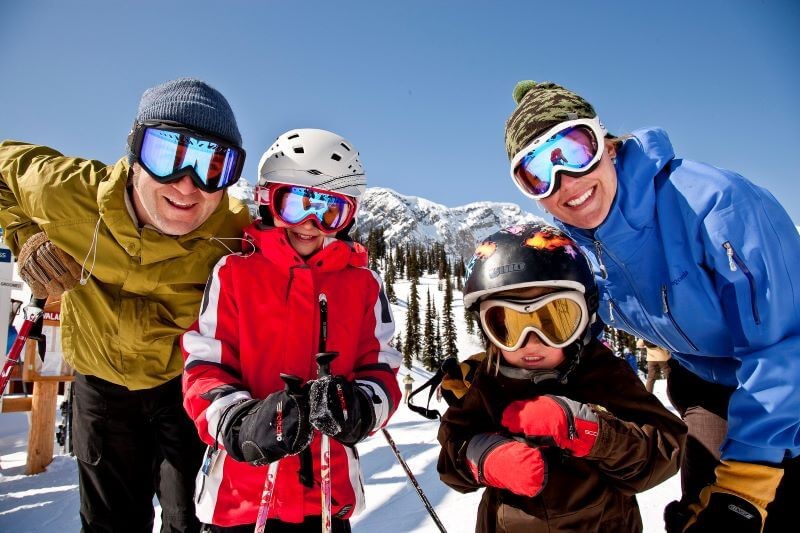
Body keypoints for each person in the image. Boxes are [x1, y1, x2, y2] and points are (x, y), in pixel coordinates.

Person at [503, 80, 800, 532]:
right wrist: (490, 376)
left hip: (784, 381)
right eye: (537, 173)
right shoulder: (581, 251)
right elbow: (566, 330)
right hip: (707, 386)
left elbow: (784, 344)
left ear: (607, 144)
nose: (565, 182)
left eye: (573, 151)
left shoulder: (715, 206)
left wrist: (745, 486)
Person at [0, 77, 251, 532]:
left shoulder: (236, 233)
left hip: (182, 391)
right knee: (111, 522)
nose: (188, 184)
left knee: (190, 518)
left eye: (213, 165)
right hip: (102, 388)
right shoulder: (68, 192)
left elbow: (301, 250)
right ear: (135, 151)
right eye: (167, 153)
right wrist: (26, 236)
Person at [182, 128, 402, 531]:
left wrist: (362, 407)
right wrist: (238, 421)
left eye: (331, 211)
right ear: (268, 201)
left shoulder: (361, 284)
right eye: (296, 203)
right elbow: (204, 367)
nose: (311, 223)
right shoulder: (235, 275)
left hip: (326, 497)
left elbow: (382, 368)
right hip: (239, 498)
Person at [437, 223, 686, 532]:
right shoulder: (490, 382)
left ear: (584, 321)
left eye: (555, 320)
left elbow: (665, 451)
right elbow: (452, 457)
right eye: (508, 326)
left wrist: (594, 432)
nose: (531, 342)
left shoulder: (603, 374)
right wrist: (486, 458)